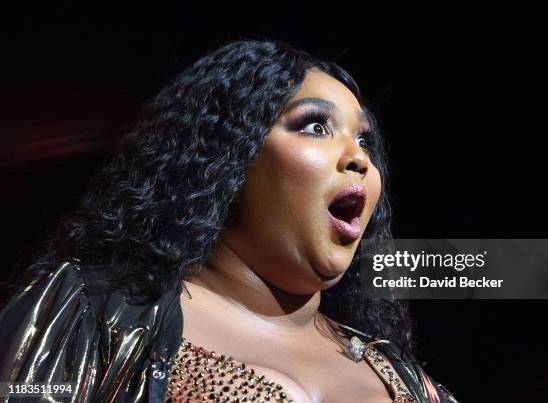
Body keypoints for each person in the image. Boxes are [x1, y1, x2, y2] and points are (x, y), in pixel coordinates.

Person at [0, 38, 458, 402]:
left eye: (364, 141)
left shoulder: (405, 379)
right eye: (316, 126)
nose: (358, 157)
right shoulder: (96, 315)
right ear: (230, 157)